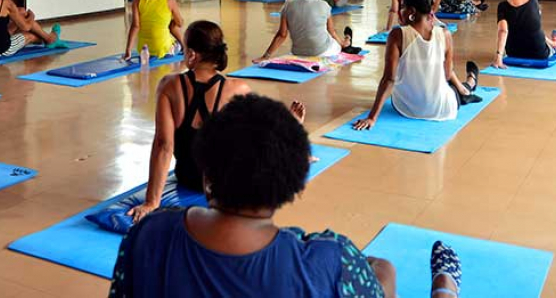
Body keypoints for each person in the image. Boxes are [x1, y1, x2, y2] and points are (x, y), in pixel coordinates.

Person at [109, 94, 398, 298]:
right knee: (383, 268)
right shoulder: (330, 260)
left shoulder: (148, 234)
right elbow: (378, 286)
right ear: (293, 185)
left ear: (207, 177)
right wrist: (377, 267)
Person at [126, 21, 313, 224]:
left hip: (187, 177)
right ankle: (294, 138)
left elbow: (164, 145)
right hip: (225, 183)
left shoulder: (169, 86)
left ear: (192, 55)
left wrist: (152, 202)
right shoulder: (237, 88)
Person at [354, 0, 481, 129]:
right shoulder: (445, 34)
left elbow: (389, 79)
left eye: (402, 7)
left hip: (408, 109)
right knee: (452, 88)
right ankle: (470, 83)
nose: (399, 12)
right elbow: (447, 73)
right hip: (444, 108)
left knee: (451, 88)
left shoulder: (397, 35)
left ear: (411, 12)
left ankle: (468, 85)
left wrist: (372, 118)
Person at [256, 0, 347, 62]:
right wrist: (341, 44)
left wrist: (265, 56)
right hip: (322, 52)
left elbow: (281, 35)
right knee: (335, 41)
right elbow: (332, 32)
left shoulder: (288, 5)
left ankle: (347, 39)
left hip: (298, 52)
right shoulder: (323, 4)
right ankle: (347, 39)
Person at [120, 0, 186, 60]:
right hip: (164, 49)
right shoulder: (170, 0)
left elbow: (135, 26)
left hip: (143, 50)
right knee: (173, 24)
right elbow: (180, 24)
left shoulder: (137, 0)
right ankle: (185, 46)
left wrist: (128, 51)